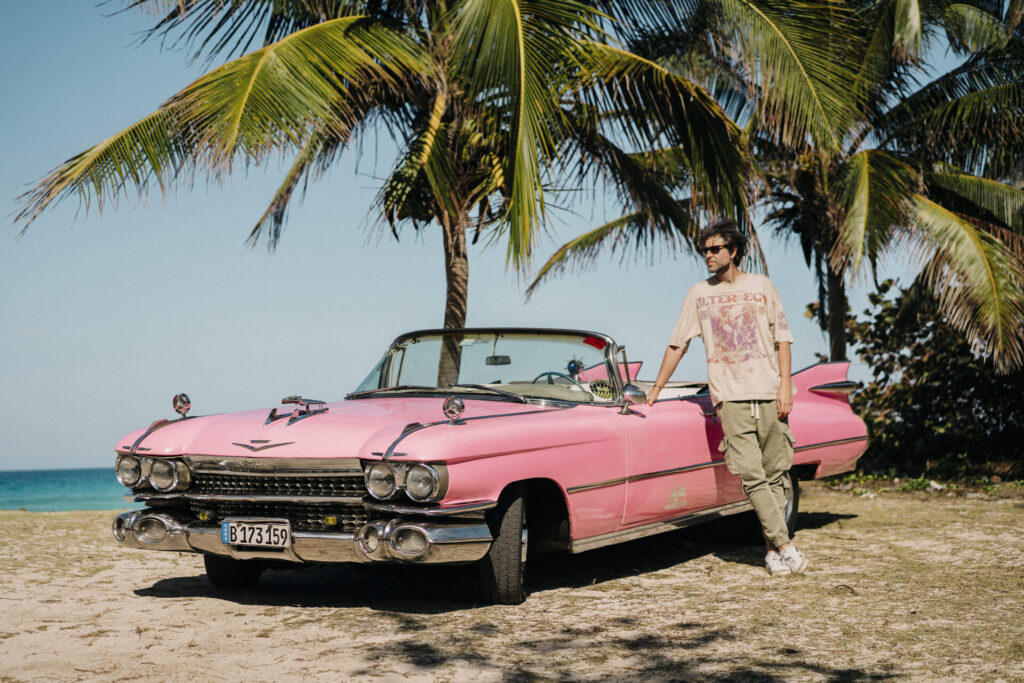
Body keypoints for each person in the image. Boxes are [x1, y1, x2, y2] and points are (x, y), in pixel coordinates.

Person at [645, 218, 808, 576]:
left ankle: (770, 551)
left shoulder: (762, 285)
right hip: (730, 397)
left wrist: (785, 386)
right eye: (704, 250)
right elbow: (678, 344)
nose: (708, 255)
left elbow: (782, 338)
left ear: (733, 252)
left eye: (715, 249)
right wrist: (655, 390)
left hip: (768, 392)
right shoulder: (699, 293)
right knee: (751, 475)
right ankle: (785, 544)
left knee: (777, 474)